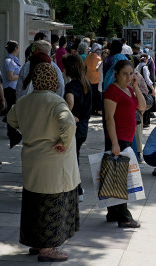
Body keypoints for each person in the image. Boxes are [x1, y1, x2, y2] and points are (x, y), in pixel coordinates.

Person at [7, 63, 80, 262]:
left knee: (34, 203)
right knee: (52, 204)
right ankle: (48, 249)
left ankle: (37, 243)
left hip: (32, 161)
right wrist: (63, 142)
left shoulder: (24, 101)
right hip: (54, 164)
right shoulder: (56, 102)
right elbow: (68, 123)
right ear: (54, 80)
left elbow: (11, 119)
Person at [103, 60, 146, 227]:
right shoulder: (112, 91)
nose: (128, 77)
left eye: (131, 73)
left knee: (116, 176)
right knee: (120, 178)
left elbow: (142, 106)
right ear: (116, 74)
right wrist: (114, 143)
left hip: (127, 138)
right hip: (118, 139)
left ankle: (113, 212)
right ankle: (124, 217)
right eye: (125, 74)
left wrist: (135, 85)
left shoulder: (128, 89)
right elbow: (109, 118)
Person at [63, 54, 92, 202]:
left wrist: (68, 114)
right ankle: (77, 189)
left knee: (71, 160)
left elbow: (69, 101)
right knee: (75, 158)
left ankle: (76, 190)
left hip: (73, 128)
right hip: (83, 128)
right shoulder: (86, 83)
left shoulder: (71, 86)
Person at [3, 40, 22, 137]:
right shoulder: (9, 61)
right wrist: (21, 76)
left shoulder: (14, 59)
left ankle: (12, 131)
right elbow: (10, 77)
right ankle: (11, 132)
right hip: (10, 89)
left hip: (14, 88)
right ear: (15, 48)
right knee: (11, 111)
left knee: (13, 110)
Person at [85, 43, 103, 116]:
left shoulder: (87, 57)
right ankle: (98, 110)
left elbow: (85, 67)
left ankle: (91, 110)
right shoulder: (99, 59)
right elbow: (98, 69)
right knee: (97, 96)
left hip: (88, 79)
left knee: (90, 96)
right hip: (96, 79)